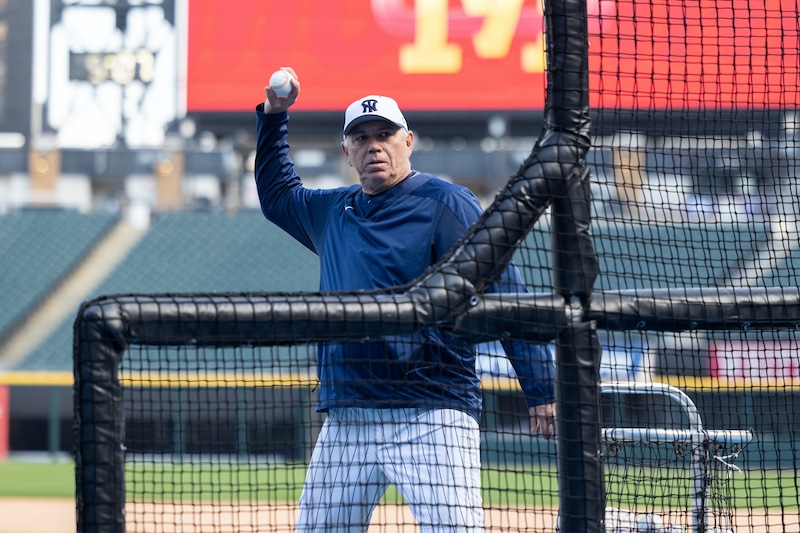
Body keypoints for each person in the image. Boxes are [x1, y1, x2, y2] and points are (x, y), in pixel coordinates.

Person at [255, 67, 556, 532]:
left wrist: (541, 387)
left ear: (408, 141)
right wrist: (275, 115)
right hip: (348, 416)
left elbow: (503, 289)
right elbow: (277, 196)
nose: (374, 145)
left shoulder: (447, 204)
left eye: (384, 134)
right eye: (361, 138)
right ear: (346, 152)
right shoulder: (333, 211)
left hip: (430, 410)